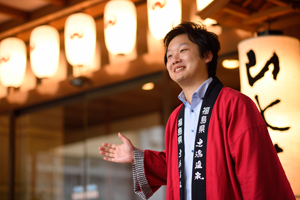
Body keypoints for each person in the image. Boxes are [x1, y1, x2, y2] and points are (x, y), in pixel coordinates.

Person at [99, 22, 295, 200]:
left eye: (182, 50)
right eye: (169, 56)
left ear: (207, 55)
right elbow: (177, 168)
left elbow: (256, 172)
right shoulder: (176, 118)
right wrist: (136, 156)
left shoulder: (235, 104)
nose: (174, 59)